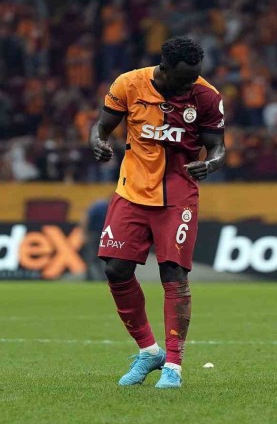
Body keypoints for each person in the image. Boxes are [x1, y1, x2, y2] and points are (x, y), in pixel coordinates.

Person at [90, 36, 226, 389]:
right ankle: (149, 351)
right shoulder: (129, 83)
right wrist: (98, 142)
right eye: (184, 78)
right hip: (131, 191)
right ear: (164, 69)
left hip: (178, 195)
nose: (190, 84)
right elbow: (102, 127)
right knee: (116, 269)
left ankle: (174, 366)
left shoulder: (207, 96)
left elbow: (218, 147)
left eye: (195, 76)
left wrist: (210, 164)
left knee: (173, 274)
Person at [80, 197, 110, 281]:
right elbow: (86, 218)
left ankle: (99, 277)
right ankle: (90, 276)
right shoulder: (99, 206)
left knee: (99, 257)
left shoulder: (103, 206)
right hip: (95, 234)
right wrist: (84, 233)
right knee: (92, 256)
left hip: (103, 234)